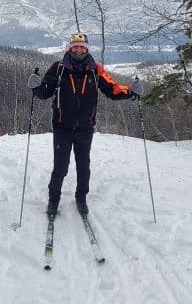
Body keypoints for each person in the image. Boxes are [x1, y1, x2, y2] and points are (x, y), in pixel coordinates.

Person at [27, 33, 144, 217]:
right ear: (69, 48)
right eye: (75, 46)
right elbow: (46, 91)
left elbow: (112, 89)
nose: (79, 49)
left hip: (85, 128)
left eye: (82, 47)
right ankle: (53, 200)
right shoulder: (58, 68)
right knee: (60, 168)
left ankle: (81, 198)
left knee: (83, 166)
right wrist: (36, 87)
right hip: (62, 127)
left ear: (87, 49)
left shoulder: (95, 69)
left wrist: (130, 91)